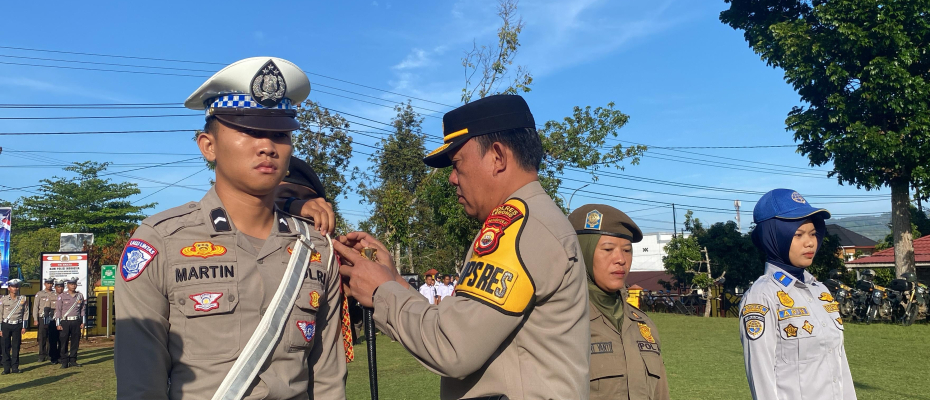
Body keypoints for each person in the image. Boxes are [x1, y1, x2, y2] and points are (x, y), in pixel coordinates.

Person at [115, 57, 346, 400]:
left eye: (280, 134)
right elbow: (140, 384)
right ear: (208, 146)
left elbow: (327, 379)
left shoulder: (315, 249)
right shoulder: (160, 241)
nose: (267, 146)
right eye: (250, 130)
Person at [336, 94, 590, 399]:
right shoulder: (533, 221)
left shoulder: (517, 227)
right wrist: (395, 282)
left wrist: (380, 292)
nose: (453, 179)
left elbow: (453, 345)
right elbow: (461, 326)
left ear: (497, 157)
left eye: (457, 163)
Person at [740, 189, 855, 400]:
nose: (810, 242)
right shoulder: (762, 296)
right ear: (774, 236)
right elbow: (761, 377)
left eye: (813, 233)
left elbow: (839, 365)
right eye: (798, 234)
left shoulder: (820, 290)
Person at [568, 204, 670, 399]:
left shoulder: (643, 325)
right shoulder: (562, 321)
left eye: (627, 250)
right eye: (608, 249)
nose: (621, 259)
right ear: (582, 252)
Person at [55, 277, 85, 368]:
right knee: (63, 342)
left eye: (75, 284)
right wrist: (58, 323)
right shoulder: (62, 296)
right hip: (65, 321)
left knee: (75, 342)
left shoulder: (79, 296)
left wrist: (83, 322)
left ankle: (73, 360)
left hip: (76, 321)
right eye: (71, 284)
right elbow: (58, 311)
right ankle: (64, 361)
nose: (73, 286)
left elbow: (83, 310)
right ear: (67, 285)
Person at [0, 279, 28, 374]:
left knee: (16, 346)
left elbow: (26, 313)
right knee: (5, 346)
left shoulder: (23, 299)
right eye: (13, 286)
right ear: (9, 288)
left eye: (17, 286)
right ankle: (6, 368)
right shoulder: (3, 300)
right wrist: (0, 328)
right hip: (6, 325)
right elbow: (0, 314)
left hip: (17, 325)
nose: (15, 288)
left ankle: (15, 367)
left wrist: (24, 326)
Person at [33, 277, 56, 362]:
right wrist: (35, 319)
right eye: (48, 283)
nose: (49, 285)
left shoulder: (55, 294)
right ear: (45, 284)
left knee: (51, 337)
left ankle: (50, 354)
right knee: (42, 337)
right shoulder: (40, 294)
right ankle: (42, 355)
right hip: (42, 317)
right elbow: (35, 307)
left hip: (52, 318)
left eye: (51, 283)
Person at [48, 279, 64, 364]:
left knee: (62, 340)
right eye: (58, 286)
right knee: (53, 340)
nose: (60, 288)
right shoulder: (51, 296)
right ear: (55, 287)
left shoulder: (66, 296)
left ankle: (61, 356)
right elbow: (47, 308)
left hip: (63, 321)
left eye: (62, 286)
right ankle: (53, 357)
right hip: (53, 321)